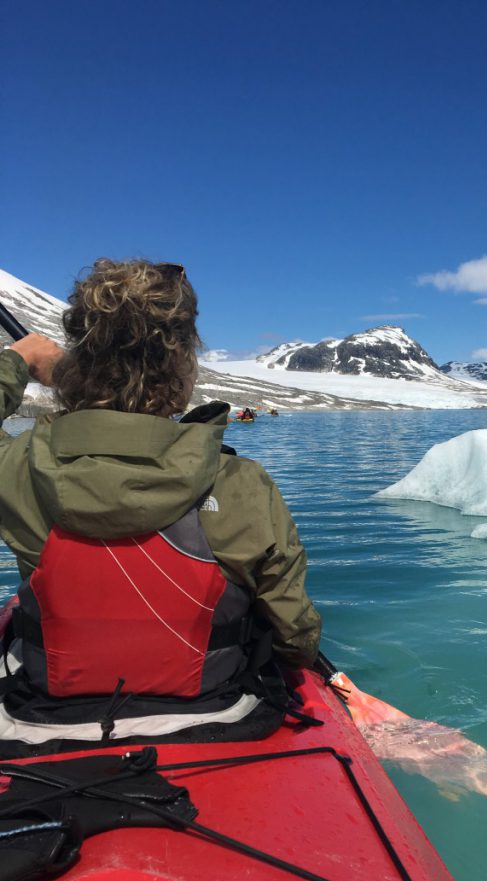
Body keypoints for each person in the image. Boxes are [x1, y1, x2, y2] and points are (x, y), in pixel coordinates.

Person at [0, 259, 321, 745]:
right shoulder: (240, 482)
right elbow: (295, 638)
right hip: (215, 713)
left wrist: (17, 361)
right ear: (181, 369)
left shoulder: (16, 466)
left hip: (41, 714)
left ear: (74, 365)